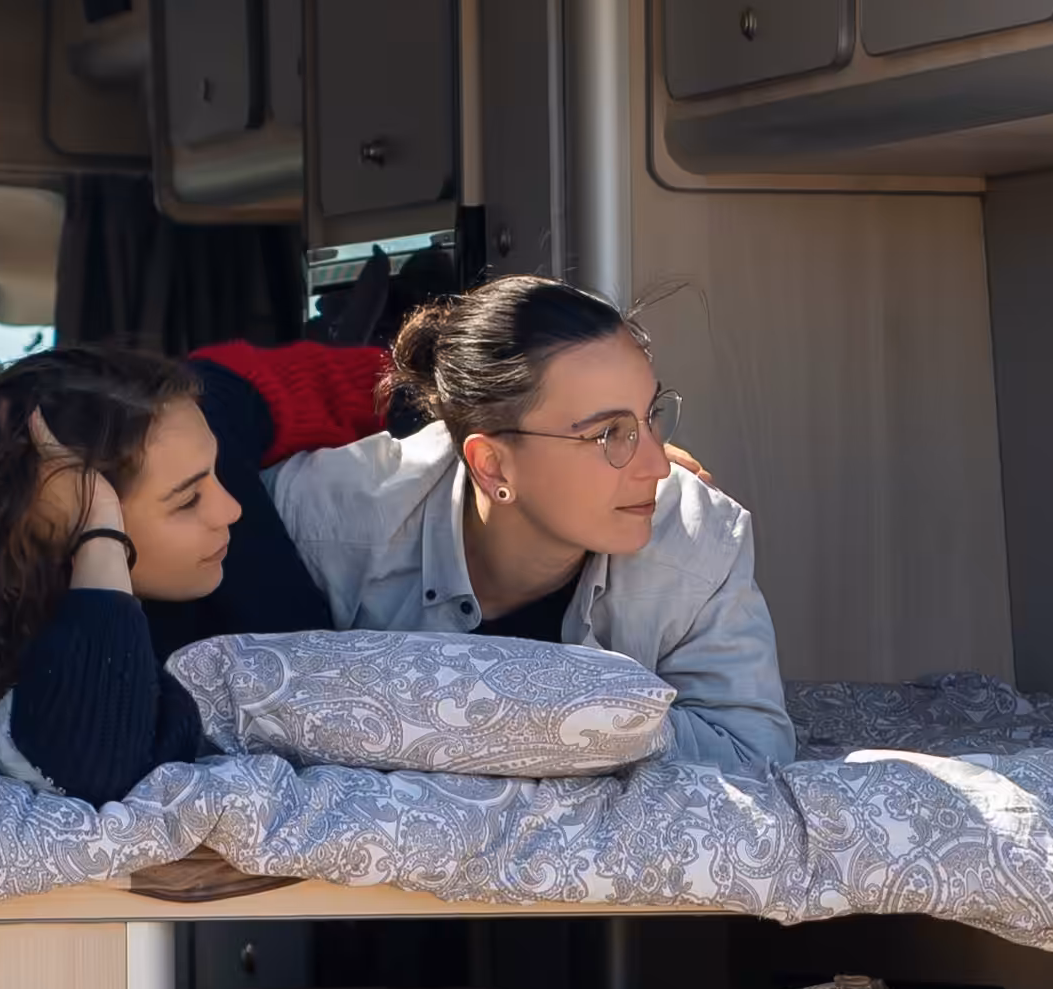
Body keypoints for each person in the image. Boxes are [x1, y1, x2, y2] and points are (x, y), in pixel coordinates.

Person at [271, 275, 791, 768]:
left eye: (648, 417)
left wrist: (535, 717)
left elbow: (752, 755)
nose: (657, 466)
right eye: (609, 434)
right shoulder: (329, 518)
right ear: (492, 464)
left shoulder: (698, 534)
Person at [0, 345, 319, 801]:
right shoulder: (14, 688)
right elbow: (101, 766)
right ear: (55, 525)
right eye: (188, 499)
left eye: (219, 474)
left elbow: (244, 385)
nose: (232, 509)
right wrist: (99, 529)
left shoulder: (195, 565)